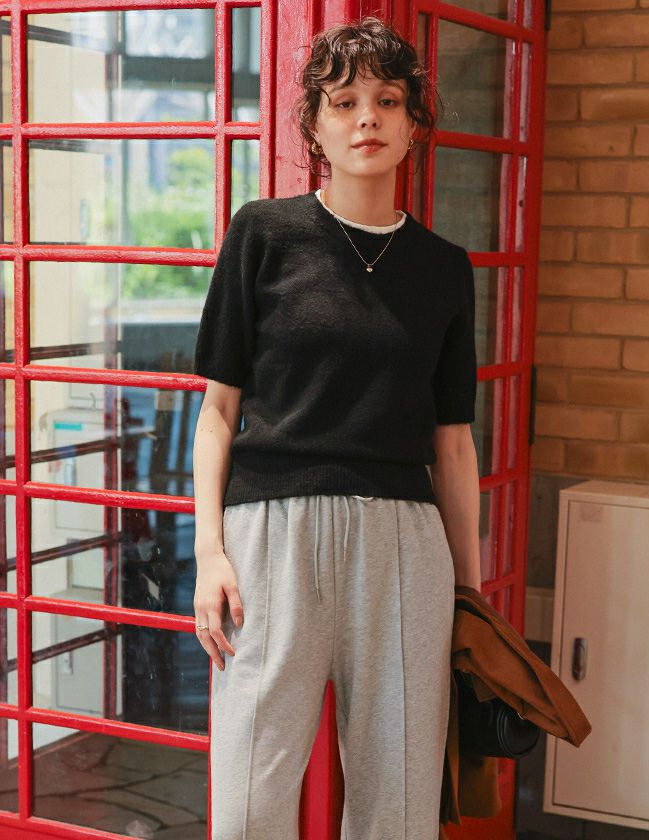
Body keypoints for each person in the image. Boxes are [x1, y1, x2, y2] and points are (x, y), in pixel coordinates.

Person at [191, 15, 481, 840]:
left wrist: (469, 595)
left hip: (404, 545)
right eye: (344, 102)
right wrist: (208, 552)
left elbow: (453, 442)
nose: (367, 119)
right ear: (314, 127)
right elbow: (217, 413)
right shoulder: (264, 234)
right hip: (269, 538)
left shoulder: (444, 268)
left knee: (399, 802)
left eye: (387, 101)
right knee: (248, 801)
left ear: (414, 125)